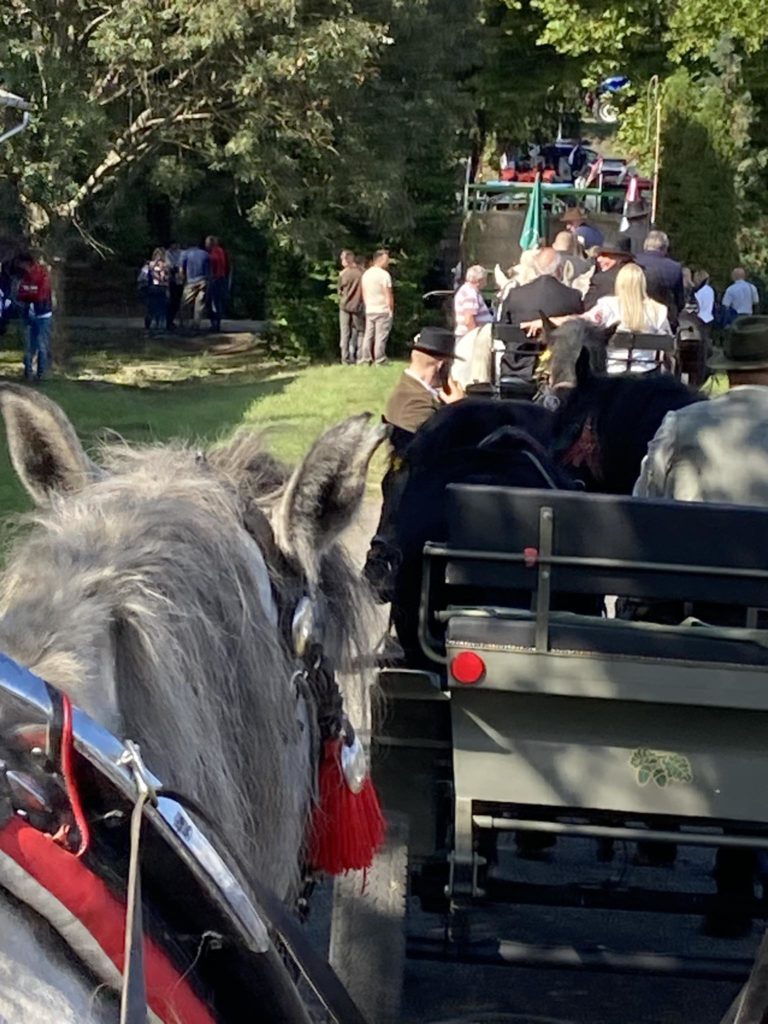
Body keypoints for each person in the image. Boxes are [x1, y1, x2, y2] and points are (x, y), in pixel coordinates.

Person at [634, 316, 768, 936]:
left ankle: (658, 825)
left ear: (729, 369)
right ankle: (735, 876)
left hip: (686, 619)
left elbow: (641, 517)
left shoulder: (684, 424)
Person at [363, 326, 465, 601]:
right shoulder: (415, 405)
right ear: (442, 365)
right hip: (418, 509)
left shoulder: (411, 392)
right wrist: (459, 409)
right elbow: (445, 451)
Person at [500, 247, 583, 325]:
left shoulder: (514, 295)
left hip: (519, 340)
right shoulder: (573, 297)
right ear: (559, 269)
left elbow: (502, 328)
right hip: (558, 340)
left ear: (536, 269)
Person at [634, 230, 685, 330]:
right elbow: (679, 300)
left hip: (633, 315)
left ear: (645, 245)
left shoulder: (632, 261)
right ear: (665, 248)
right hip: (663, 321)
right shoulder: (674, 267)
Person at [16, 251, 53, 382]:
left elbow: (40, 295)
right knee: (29, 344)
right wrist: (29, 292)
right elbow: (20, 293)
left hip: (42, 313)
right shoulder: (24, 276)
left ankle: (40, 374)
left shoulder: (42, 274)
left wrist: (29, 292)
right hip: (29, 314)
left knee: (41, 345)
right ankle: (28, 372)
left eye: (23, 265)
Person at [359, 249, 393, 365]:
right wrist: (390, 309)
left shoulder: (366, 274)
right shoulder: (384, 275)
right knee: (380, 336)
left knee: (368, 335)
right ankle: (380, 358)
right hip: (382, 309)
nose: (388, 262)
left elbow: (364, 292)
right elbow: (387, 293)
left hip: (370, 308)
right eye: (386, 260)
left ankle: (366, 357)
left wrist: (367, 304)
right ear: (380, 260)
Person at [583, 242, 633, 310]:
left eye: (604, 255)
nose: (599, 259)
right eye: (599, 255)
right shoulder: (639, 273)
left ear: (620, 258)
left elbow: (587, 306)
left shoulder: (601, 279)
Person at [337, 249, 364, 364]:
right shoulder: (361, 273)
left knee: (345, 332)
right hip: (357, 306)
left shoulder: (343, 274)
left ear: (346, 260)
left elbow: (340, 290)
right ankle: (360, 356)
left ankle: (345, 358)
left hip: (345, 306)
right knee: (360, 331)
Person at [454, 264, 492, 339]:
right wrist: (475, 337)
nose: (486, 282)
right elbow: (469, 319)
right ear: (479, 280)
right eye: (485, 279)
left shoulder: (467, 290)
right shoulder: (470, 293)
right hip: (468, 336)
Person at [180, 240, 210, 332]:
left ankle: (184, 325)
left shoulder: (185, 254)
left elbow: (181, 268)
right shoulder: (205, 254)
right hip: (203, 281)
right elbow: (209, 269)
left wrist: (182, 280)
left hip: (191, 281)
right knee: (199, 305)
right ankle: (196, 326)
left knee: (185, 304)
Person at [141, 247, 169, 332]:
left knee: (156, 309)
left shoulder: (149, 265)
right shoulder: (164, 265)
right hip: (157, 289)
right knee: (157, 309)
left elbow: (142, 278)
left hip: (157, 289)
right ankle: (156, 327)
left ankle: (153, 327)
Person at [205, 235, 229, 332]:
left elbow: (214, 263)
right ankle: (217, 323)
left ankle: (214, 323)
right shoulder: (222, 251)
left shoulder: (214, 252)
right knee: (217, 301)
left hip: (215, 278)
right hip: (222, 277)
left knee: (210, 301)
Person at [165, 242, 184, 330]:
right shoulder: (168, 253)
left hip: (179, 279)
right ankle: (169, 321)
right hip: (172, 279)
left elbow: (181, 263)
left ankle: (178, 321)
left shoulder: (181, 253)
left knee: (178, 301)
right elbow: (169, 265)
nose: (174, 246)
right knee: (172, 301)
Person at [693, 269, 715, 342]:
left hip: (700, 318)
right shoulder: (710, 290)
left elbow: (698, 306)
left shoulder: (698, 292)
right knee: (706, 338)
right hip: (709, 317)